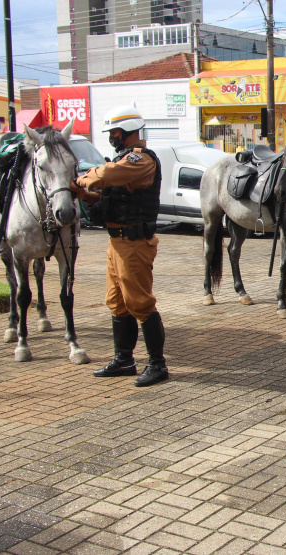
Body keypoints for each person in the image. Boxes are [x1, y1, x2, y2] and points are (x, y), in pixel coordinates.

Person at [71, 105, 169, 387]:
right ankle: (124, 360)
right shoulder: (122, 160)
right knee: (117, 302)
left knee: (140, 302)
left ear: (127, 132)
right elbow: (106, 196)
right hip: (116, 242)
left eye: (114, 132)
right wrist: (85, 196)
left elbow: (108, 174)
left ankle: (157, 365)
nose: (112, 137)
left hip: (135, 242)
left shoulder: (140, 160)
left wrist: (83, 178)